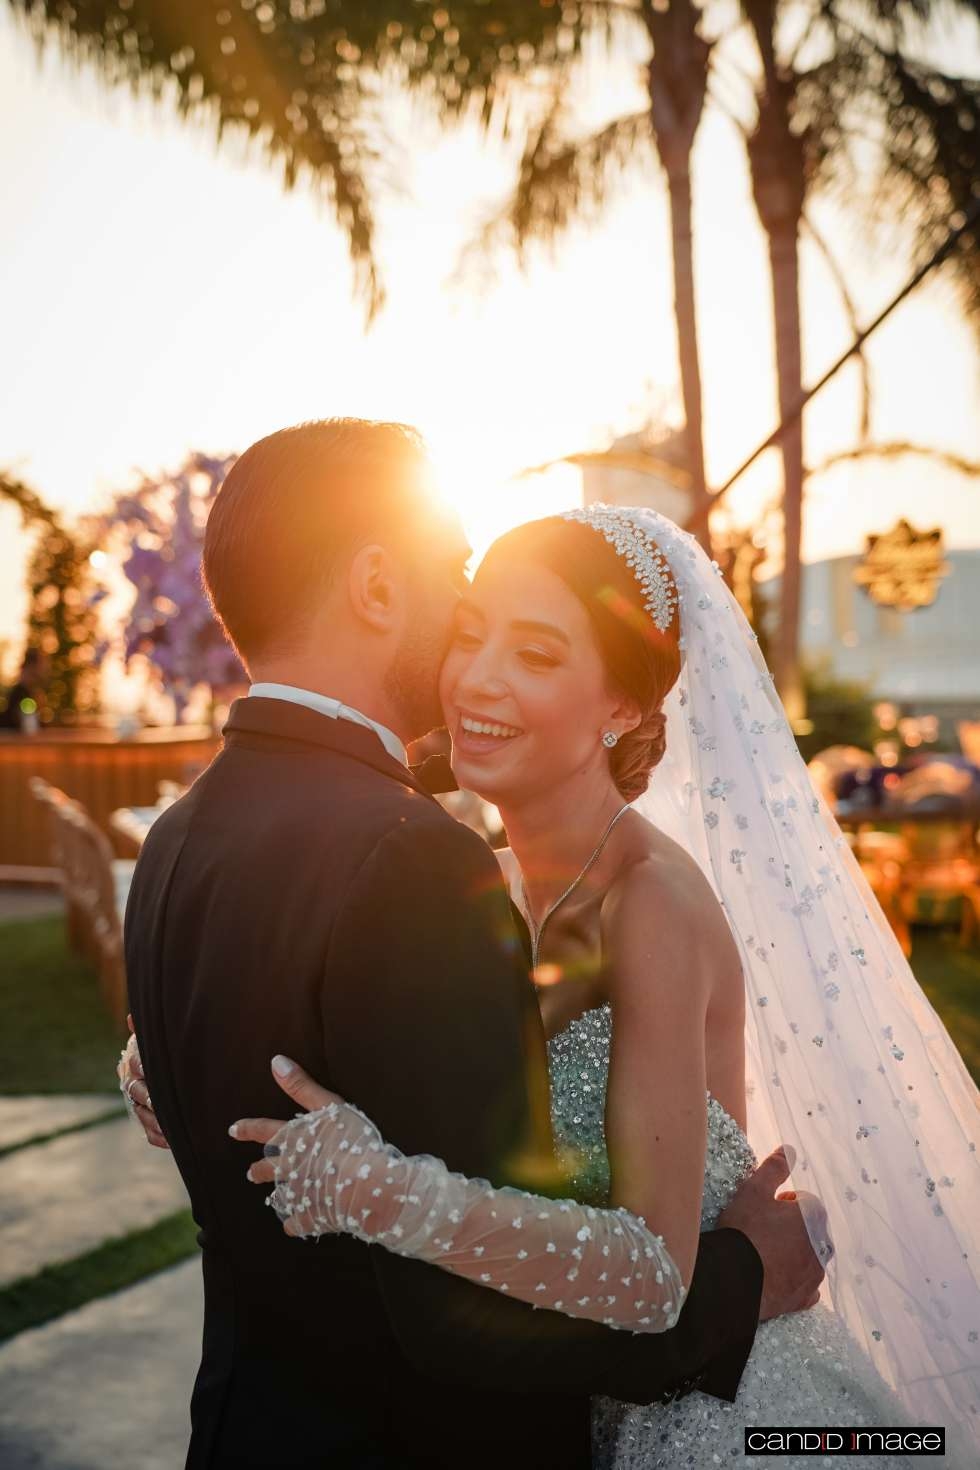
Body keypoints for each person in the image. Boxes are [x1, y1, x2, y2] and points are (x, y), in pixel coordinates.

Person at [119, 419, 821, 1470]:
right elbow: (454, 1315)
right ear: (372, 584)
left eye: (531, 650)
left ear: (623, 703)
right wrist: (744, 1276)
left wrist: (170, 1077)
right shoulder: (412, 855)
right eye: (458, 592)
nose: (469, 654)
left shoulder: (181, 835)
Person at [220, 507, 979, 1465]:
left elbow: (658, 1268)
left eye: (535, 654)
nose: (477, 677)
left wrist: (380, 1193)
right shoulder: (475, 882)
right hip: (555, 1397)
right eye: (469, 633)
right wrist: (171, 1066)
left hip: (710, 1410)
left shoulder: (650, 901)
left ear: (623, 705)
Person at [0, 647, 47, 731]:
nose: (43, 669)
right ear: (31, 666)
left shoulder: (31, 692)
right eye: (40, 665)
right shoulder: (20, 694)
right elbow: (27, 727)